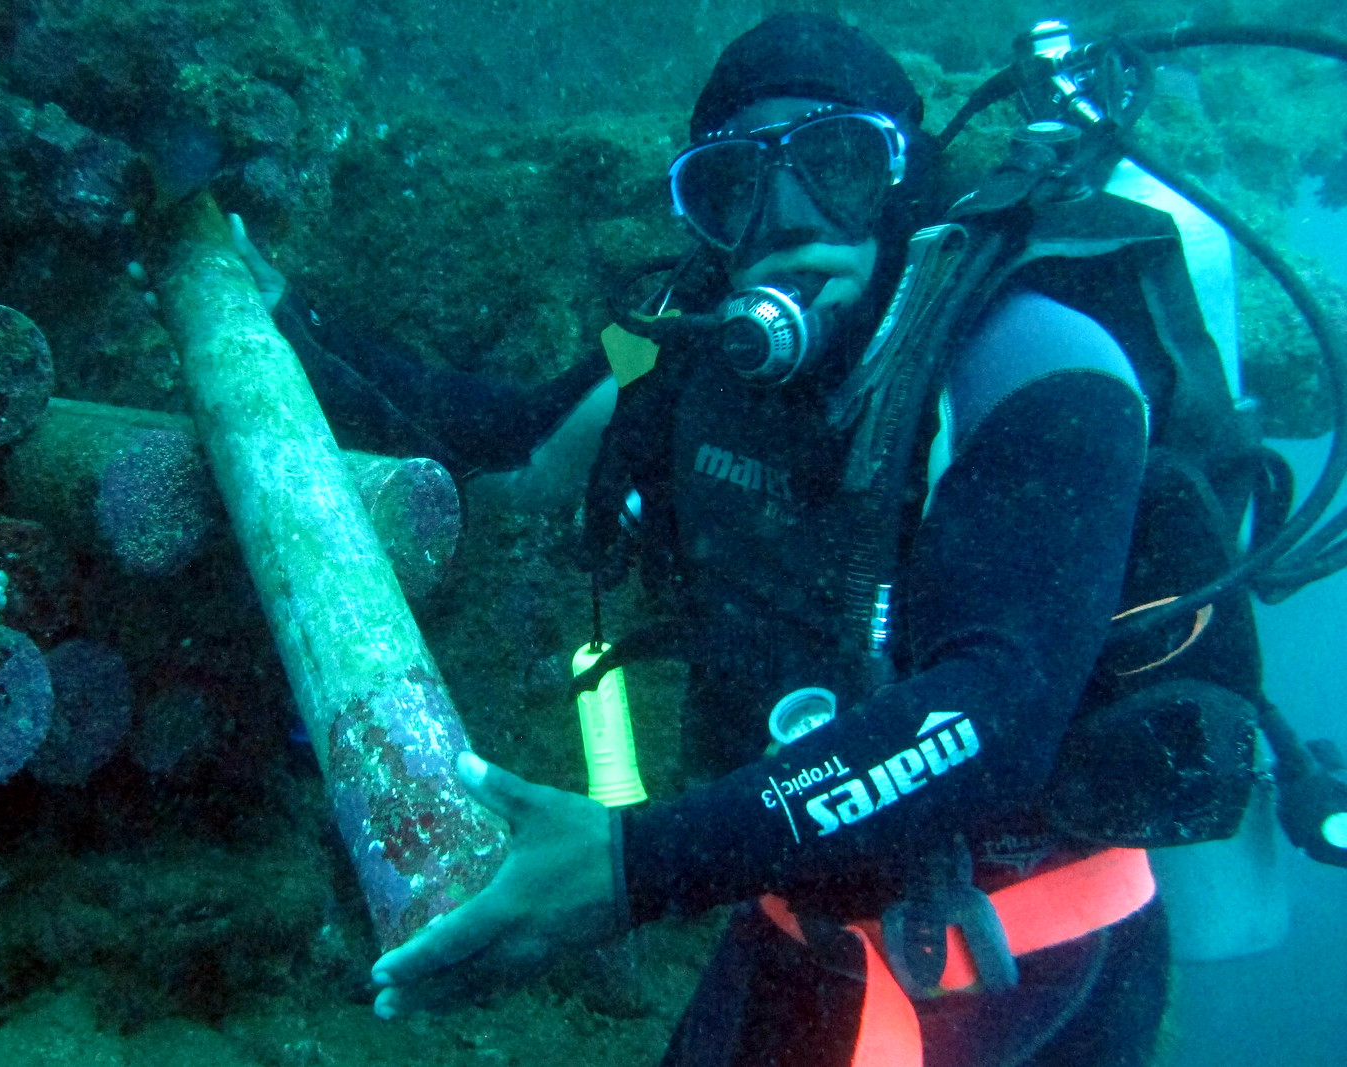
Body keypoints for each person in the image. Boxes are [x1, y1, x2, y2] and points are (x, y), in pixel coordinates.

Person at [364, 14, 1195, 1067]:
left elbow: (997, 710)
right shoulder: (670, 336)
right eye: (733, 185)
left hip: (1019, 965)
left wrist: (633, 863)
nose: (788, 215)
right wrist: (287, 306)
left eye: (836, 161)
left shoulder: (1036, 356)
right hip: (793, 919)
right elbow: (522, 433)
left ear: (906, 175)